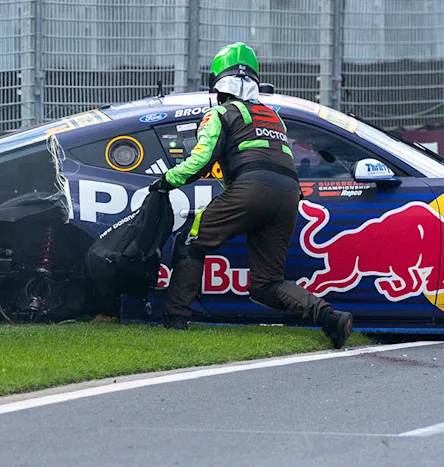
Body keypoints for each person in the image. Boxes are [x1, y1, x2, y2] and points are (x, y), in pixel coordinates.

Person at [149, 42, 353, 349]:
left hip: (250, 190)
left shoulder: (220, 114)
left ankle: (175, 319)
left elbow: (201, 160)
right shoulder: (273, 117)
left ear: (218, 85)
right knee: (265, 284)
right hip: (288, 197)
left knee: (192, 240)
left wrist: (166, 180)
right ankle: (330, 318)